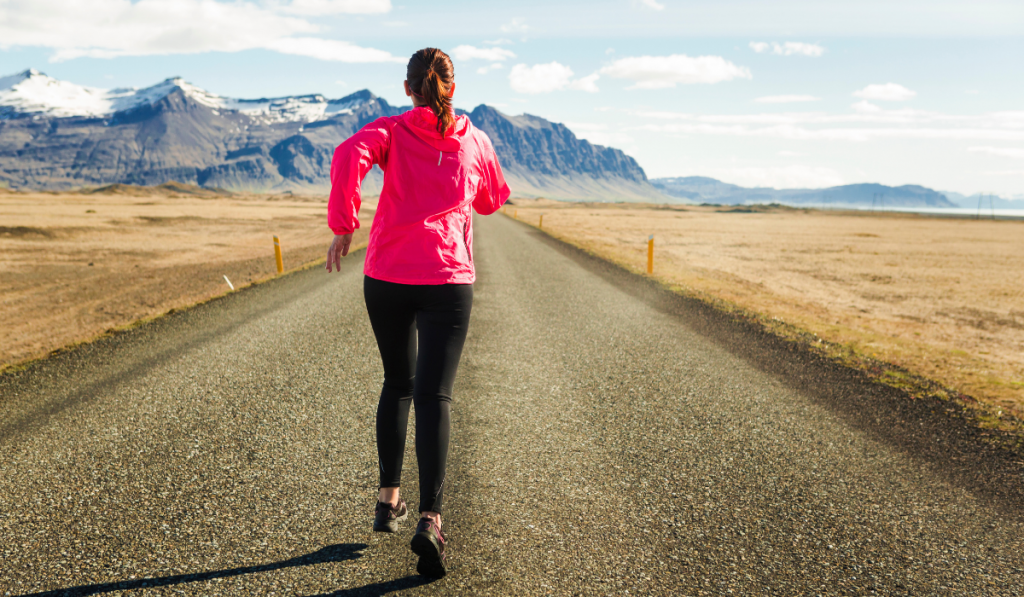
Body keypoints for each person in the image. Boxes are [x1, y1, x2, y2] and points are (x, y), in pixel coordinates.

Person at [324, 47, 510, 578]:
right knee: (434, 396)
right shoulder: (475, 140)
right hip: (447, 279)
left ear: (408, 89)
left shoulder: (389, 130)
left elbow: (345, 156)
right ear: (452, 88)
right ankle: (429, 519)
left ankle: (388, 500)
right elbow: (494, 199)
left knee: (397, 383)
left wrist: (345, 222)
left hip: (386, 276)